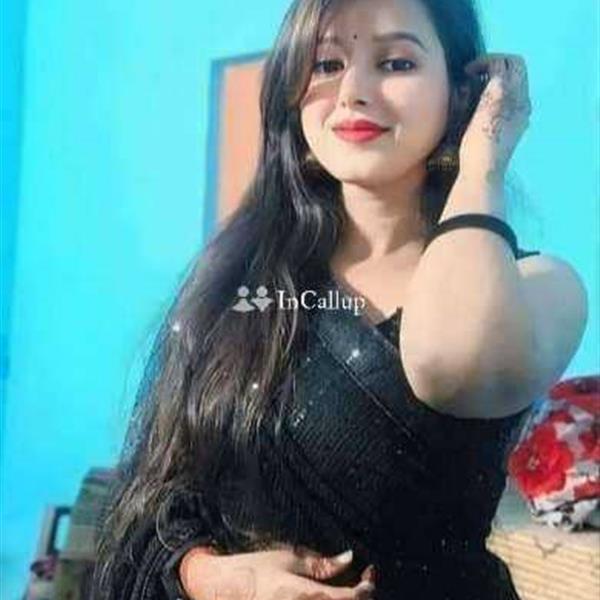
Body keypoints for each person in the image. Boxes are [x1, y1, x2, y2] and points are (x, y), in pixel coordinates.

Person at [92, 0, 589, 598]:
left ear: (462, 92)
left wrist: (482, 162)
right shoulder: (237, 287)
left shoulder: (538, 287)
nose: (353, 92)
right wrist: (215, 577)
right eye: (327, 64)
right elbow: (151, 506)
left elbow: (455, 363)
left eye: (396, 63)